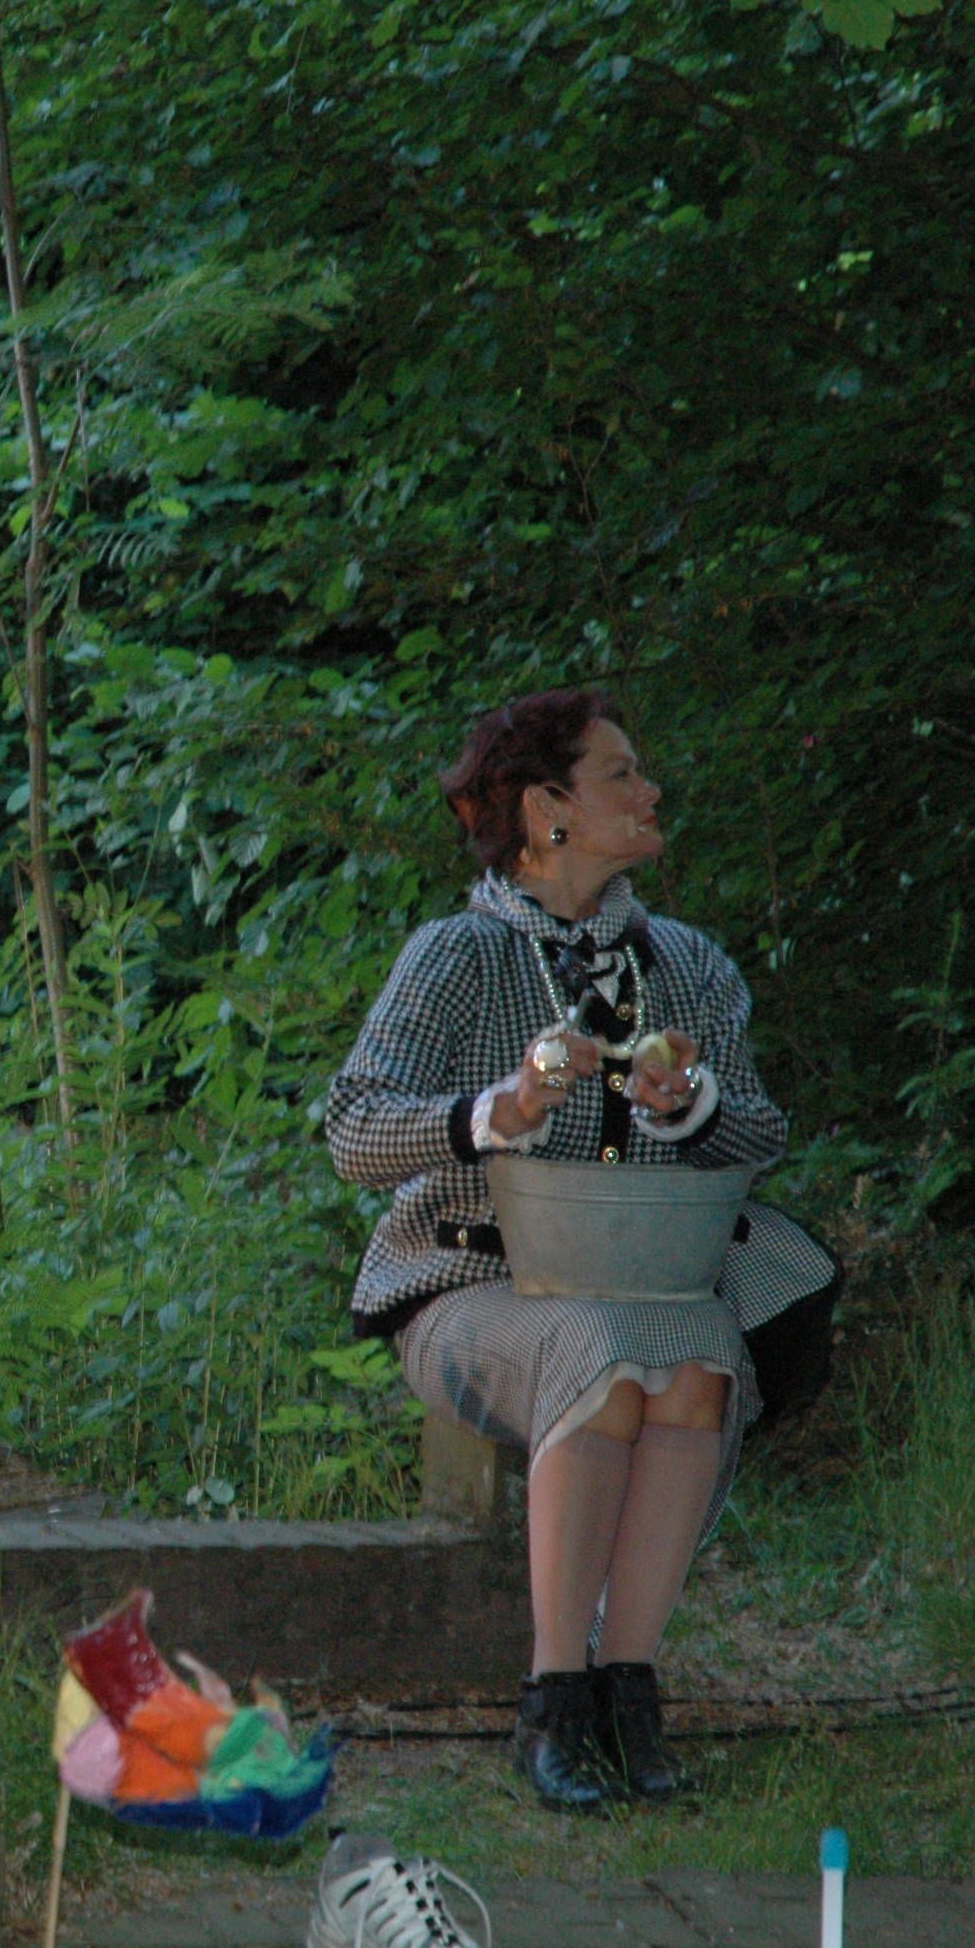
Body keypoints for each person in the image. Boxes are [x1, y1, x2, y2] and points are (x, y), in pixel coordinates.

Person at [323, 688, 839, 1812]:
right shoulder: (455, 956)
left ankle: (627, 1694)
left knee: (697, 1361)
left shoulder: (688, 964)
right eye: (621, 774)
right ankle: (552, 1700)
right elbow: (352, 1129)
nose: (650, 791)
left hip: (647, 1285)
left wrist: (691, 1102)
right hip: (466, 1291)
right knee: (600, 1352)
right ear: (545, 809)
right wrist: (493, 1112)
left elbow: (762, 1133)